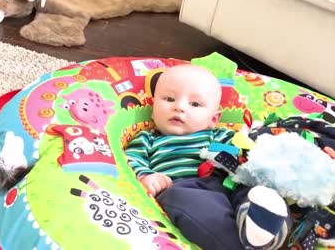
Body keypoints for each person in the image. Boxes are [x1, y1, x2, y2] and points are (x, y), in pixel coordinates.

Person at [125, 64, 292, 250]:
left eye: (195, 104)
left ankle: (269, 229)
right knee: (179, 198)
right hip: (186, 188)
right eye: (169, 99)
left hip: (228, 181)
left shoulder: (217, 135)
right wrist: (147, 176)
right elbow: (131, 161)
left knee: (257, 188)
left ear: (213, 119)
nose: (179, 107)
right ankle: (240, 244)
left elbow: (243, 150)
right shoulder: (147, 139)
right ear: (153, 107)